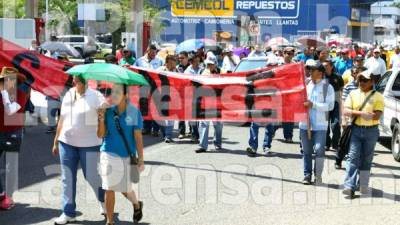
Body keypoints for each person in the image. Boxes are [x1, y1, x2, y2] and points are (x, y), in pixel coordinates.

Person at [52, 76, 107, 225]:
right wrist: (56, 140)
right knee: (67, 178)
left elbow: (105, 117)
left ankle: (103, 200)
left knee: (91, 176)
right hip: (66, 142)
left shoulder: (96, 96)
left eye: (77, 80)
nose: (74, 82)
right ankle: (68, 212)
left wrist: (102, 114)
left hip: (90, 143)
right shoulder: (69, 93)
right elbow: (62, 119)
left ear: (85, 81)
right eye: (74, 80)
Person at [97, 83, 144, 225]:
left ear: (125, 95)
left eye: (118, 92)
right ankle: (110, 222)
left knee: (125, 189)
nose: (114, 95)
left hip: (126, 156)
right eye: (113, 92)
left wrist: (141, 158)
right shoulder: (108, 111)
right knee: (109, 187)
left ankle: (136, 204)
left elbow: (138, 137)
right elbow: (100, 135)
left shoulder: (134, 112)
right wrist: (100, 118)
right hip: (108, 153)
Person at [342, 70, 384, 198]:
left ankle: (363, 184)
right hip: (356, 129)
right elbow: (346, 110)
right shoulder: (353, 93)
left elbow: (377, 116)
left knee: (366, 159)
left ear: (372, 81)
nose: (362, 82)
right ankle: (349, 186)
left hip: (371, 131)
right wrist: (362, 114)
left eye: (365, 80)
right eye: (360, 80)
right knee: (353, 157)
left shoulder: (378, 96)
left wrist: (371, 115)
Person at [300, 60, 335, 185]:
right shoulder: (306, 84)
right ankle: (307, 175)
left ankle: (318, 175)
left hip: (320, 125)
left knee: (320, 150)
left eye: (313, 70)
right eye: (310, 69)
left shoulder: (327, 87)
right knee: (307, 151)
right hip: (305, 124)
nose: (310, 71)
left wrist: (313, 105)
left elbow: (330, 106)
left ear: (320, 73)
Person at [0, 67, 28, 210]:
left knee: (10, 166)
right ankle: (2, 195)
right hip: (7, 131)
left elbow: (11, 111)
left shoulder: (21, 92)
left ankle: (8, 198)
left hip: (13, 132)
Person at [335, 66, 366, 169]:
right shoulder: (348, 86)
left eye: (360, 72)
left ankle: (355, 162)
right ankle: (338, 160)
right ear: (353, 74)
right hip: (350, 118)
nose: (358, 74)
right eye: (356, 72)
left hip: (362, 119)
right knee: (344, 140)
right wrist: (344, 119)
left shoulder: (367, 86)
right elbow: (343, 102)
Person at [196, 58, 223, 153]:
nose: (209, 66)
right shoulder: (203, 72)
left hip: (217, 102)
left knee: (218, 124)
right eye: (208, 64)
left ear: (215, 64)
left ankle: (218, 143)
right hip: (206, 101)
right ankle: (203, 146)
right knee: (203, 123)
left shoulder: (221, 72)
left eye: (211, 64)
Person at [135, 44, 163, 136]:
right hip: (144, 86)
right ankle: (146, 127)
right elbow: (134, 71)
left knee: (155, 107)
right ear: (148, 51)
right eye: (152, 53)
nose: (154, 55)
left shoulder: (159, 61)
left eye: (155, 53)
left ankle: (156, 129)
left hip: (156, 87)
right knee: (145, 107)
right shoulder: (139, 61)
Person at [323, 60, 344, 152]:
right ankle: (326, 144)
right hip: (324, 105)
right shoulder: (321, 77)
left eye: (326, 65)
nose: (324, 67)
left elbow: (341, 90)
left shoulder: (338, 77)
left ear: (331, 66)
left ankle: (335, 144)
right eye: (323, 66)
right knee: (325, 126)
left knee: (335, 125)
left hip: (335, 104)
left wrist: (341, 104)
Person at [157, 55, 178, 143]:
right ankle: (164, 133)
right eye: (173, 61)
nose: (175, 63)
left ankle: (168, 135)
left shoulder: (177, 71)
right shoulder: (160, 70)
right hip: (161, 96)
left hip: (173, 97)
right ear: (169, 62)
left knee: (171, 117)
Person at [184, 55, 203, 143]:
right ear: (191, 62)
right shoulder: (187, 71)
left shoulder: (202, 69)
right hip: (190, 95)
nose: (197, 63)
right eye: (196, 61)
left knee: (199, 116)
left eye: (198, 61)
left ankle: (198, 134)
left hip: (201, 95)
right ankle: (195, 134)